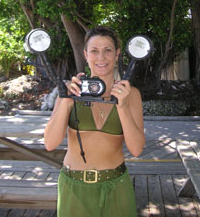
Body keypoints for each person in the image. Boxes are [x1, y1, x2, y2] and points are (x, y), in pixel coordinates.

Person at [44, 26, 145, 217]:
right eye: (94, 51)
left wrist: (121, 106)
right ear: (85, 55)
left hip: (116, 186)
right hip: (74, 187)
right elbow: (50, 143)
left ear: (117, 54)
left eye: (107, 50)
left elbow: (137, 149)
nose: (101, 57)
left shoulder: (131, 95)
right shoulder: (70, 91)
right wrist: (66, 102)